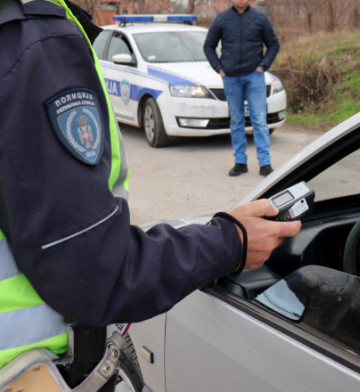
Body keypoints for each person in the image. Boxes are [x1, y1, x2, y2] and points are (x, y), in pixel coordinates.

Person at [0, 0, 299, 388]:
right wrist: (232, 239)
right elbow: (96, 273)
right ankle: (242, 161)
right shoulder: (32, 39)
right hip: (34, 371)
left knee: (255, 123)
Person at [204, 0, 280, 177]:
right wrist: (219, 69)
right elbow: (208, 46)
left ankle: (265, 163)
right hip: (231, 78)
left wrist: (263, 67)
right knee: (236, 120)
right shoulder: (222, 19)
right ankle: (240, 162)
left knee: (259, 121)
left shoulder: (260, 18)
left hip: (254, 76)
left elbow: (274, 45)